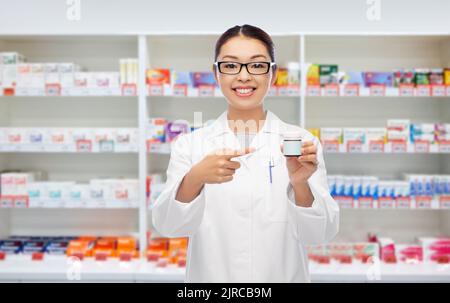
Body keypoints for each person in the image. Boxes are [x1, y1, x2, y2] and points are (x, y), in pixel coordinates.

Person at [152, 24, 339, 282]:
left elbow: (320, 234)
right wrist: (194, 178)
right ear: (216, 74)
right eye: (230, 66)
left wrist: (300, 185)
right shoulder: (191, 145)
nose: (243, 76)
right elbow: (168, 226)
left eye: (257, 65)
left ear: (272, 74)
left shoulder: (302, 143)